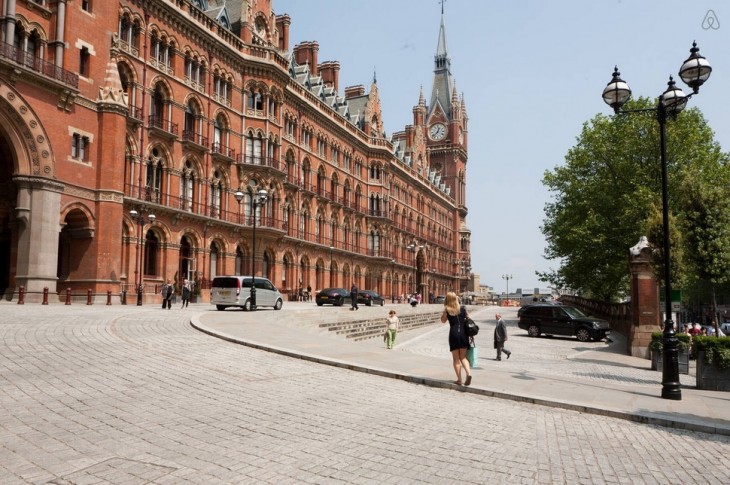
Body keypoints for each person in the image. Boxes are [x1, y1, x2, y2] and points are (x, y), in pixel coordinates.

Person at [440, 291, 472, 386]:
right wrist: (471, 335)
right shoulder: (463, 309)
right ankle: (468, 373)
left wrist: (445, 312)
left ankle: (459, 379)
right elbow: (469, 321)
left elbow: (443, 321)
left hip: (454, 335)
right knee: (463, 357)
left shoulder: (447, 310)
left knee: (456, 359)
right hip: (463, 334)